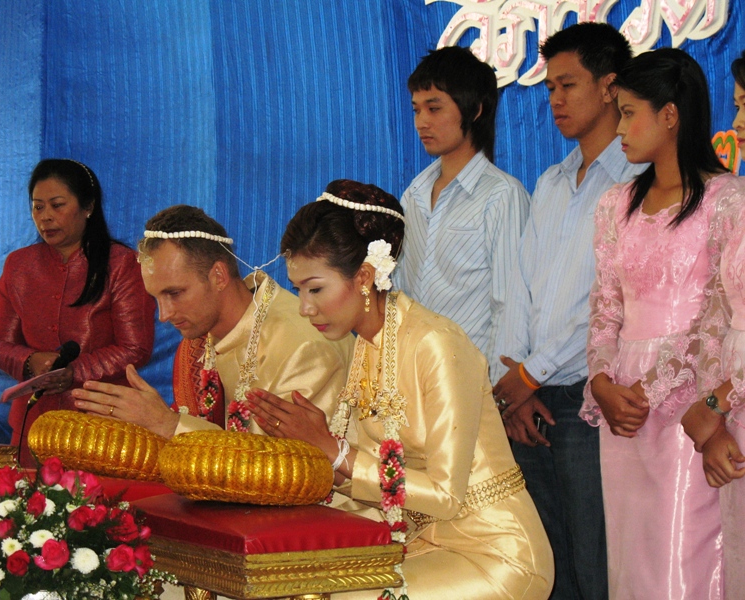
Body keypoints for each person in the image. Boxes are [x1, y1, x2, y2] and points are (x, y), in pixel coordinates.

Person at [246, 179, 554, 599]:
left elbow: (445, 496)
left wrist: (337, 453)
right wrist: (312, 450)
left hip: (495, 552)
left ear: (365, 277)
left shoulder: (436, 344)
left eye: (315, 288)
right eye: (299, 290)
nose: (304, 307)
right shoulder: (367, 346)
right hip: (421, 545)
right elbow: (372, 481)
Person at [580, 48, 741, 599]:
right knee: (631, 565)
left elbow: (720, 316)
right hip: (621, 404)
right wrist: (602, 381)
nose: (618, 128)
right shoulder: (613, 205)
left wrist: (655, 387)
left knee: (684, 561)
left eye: (628, 113)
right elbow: (605, 306)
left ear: (670, 114)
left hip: (690, 404)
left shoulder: (727, 201)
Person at [492, 22, 638, 600]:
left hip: (589, 398)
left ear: (609, 86)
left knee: (596, 560)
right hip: (532, 398)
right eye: (549, 87)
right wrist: (517, 384)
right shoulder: (550, 183)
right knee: (546, 560)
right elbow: (519, 289)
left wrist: (533, 373)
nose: (555, 100)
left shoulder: (636, 183)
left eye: (568, 85)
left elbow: (612, 305)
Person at [72, 205, 352, 438]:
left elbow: (283, 470)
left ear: (218, 276)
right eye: (156, 297)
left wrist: (167, 425)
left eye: (174, 293)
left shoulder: (302, 346)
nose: (164, 315)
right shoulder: (200, 342)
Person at [0, 159, 156, 467]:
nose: (46, 217)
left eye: (57, 205)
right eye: (38, 207)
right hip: (33, 423)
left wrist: (74, 372)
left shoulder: (122, 264)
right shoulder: (18, 265)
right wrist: (29, 361)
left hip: (104, 419)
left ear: (88, 207)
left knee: (95, 511)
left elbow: (135, 348)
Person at [394, 46, 529, 376]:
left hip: (472, 383)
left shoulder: (502, 195)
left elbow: (509, 306)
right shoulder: (413, 194)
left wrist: (497, 395)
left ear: (475, 110)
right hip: (412, 378)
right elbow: (400, 293)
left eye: (434, 108)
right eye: (416, 110)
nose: (422, 121)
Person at [681, 50, 745, 599]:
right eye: (737, 106)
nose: (739, 124)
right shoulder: (739, 201)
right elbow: (714, 315)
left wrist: (716, 402)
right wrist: (715, 408)